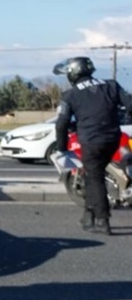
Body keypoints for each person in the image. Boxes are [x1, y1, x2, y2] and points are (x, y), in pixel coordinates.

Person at [53, 56, 131, 235]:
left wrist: (62, 149)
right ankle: (88, 216)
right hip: (113, 139)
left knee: (95, 178)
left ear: (73, 73)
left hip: (91, 141)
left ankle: (103, 221)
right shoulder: (111, 84)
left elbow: (61, 124)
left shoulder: (70, 95)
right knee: (92, 175)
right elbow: (130, 105)